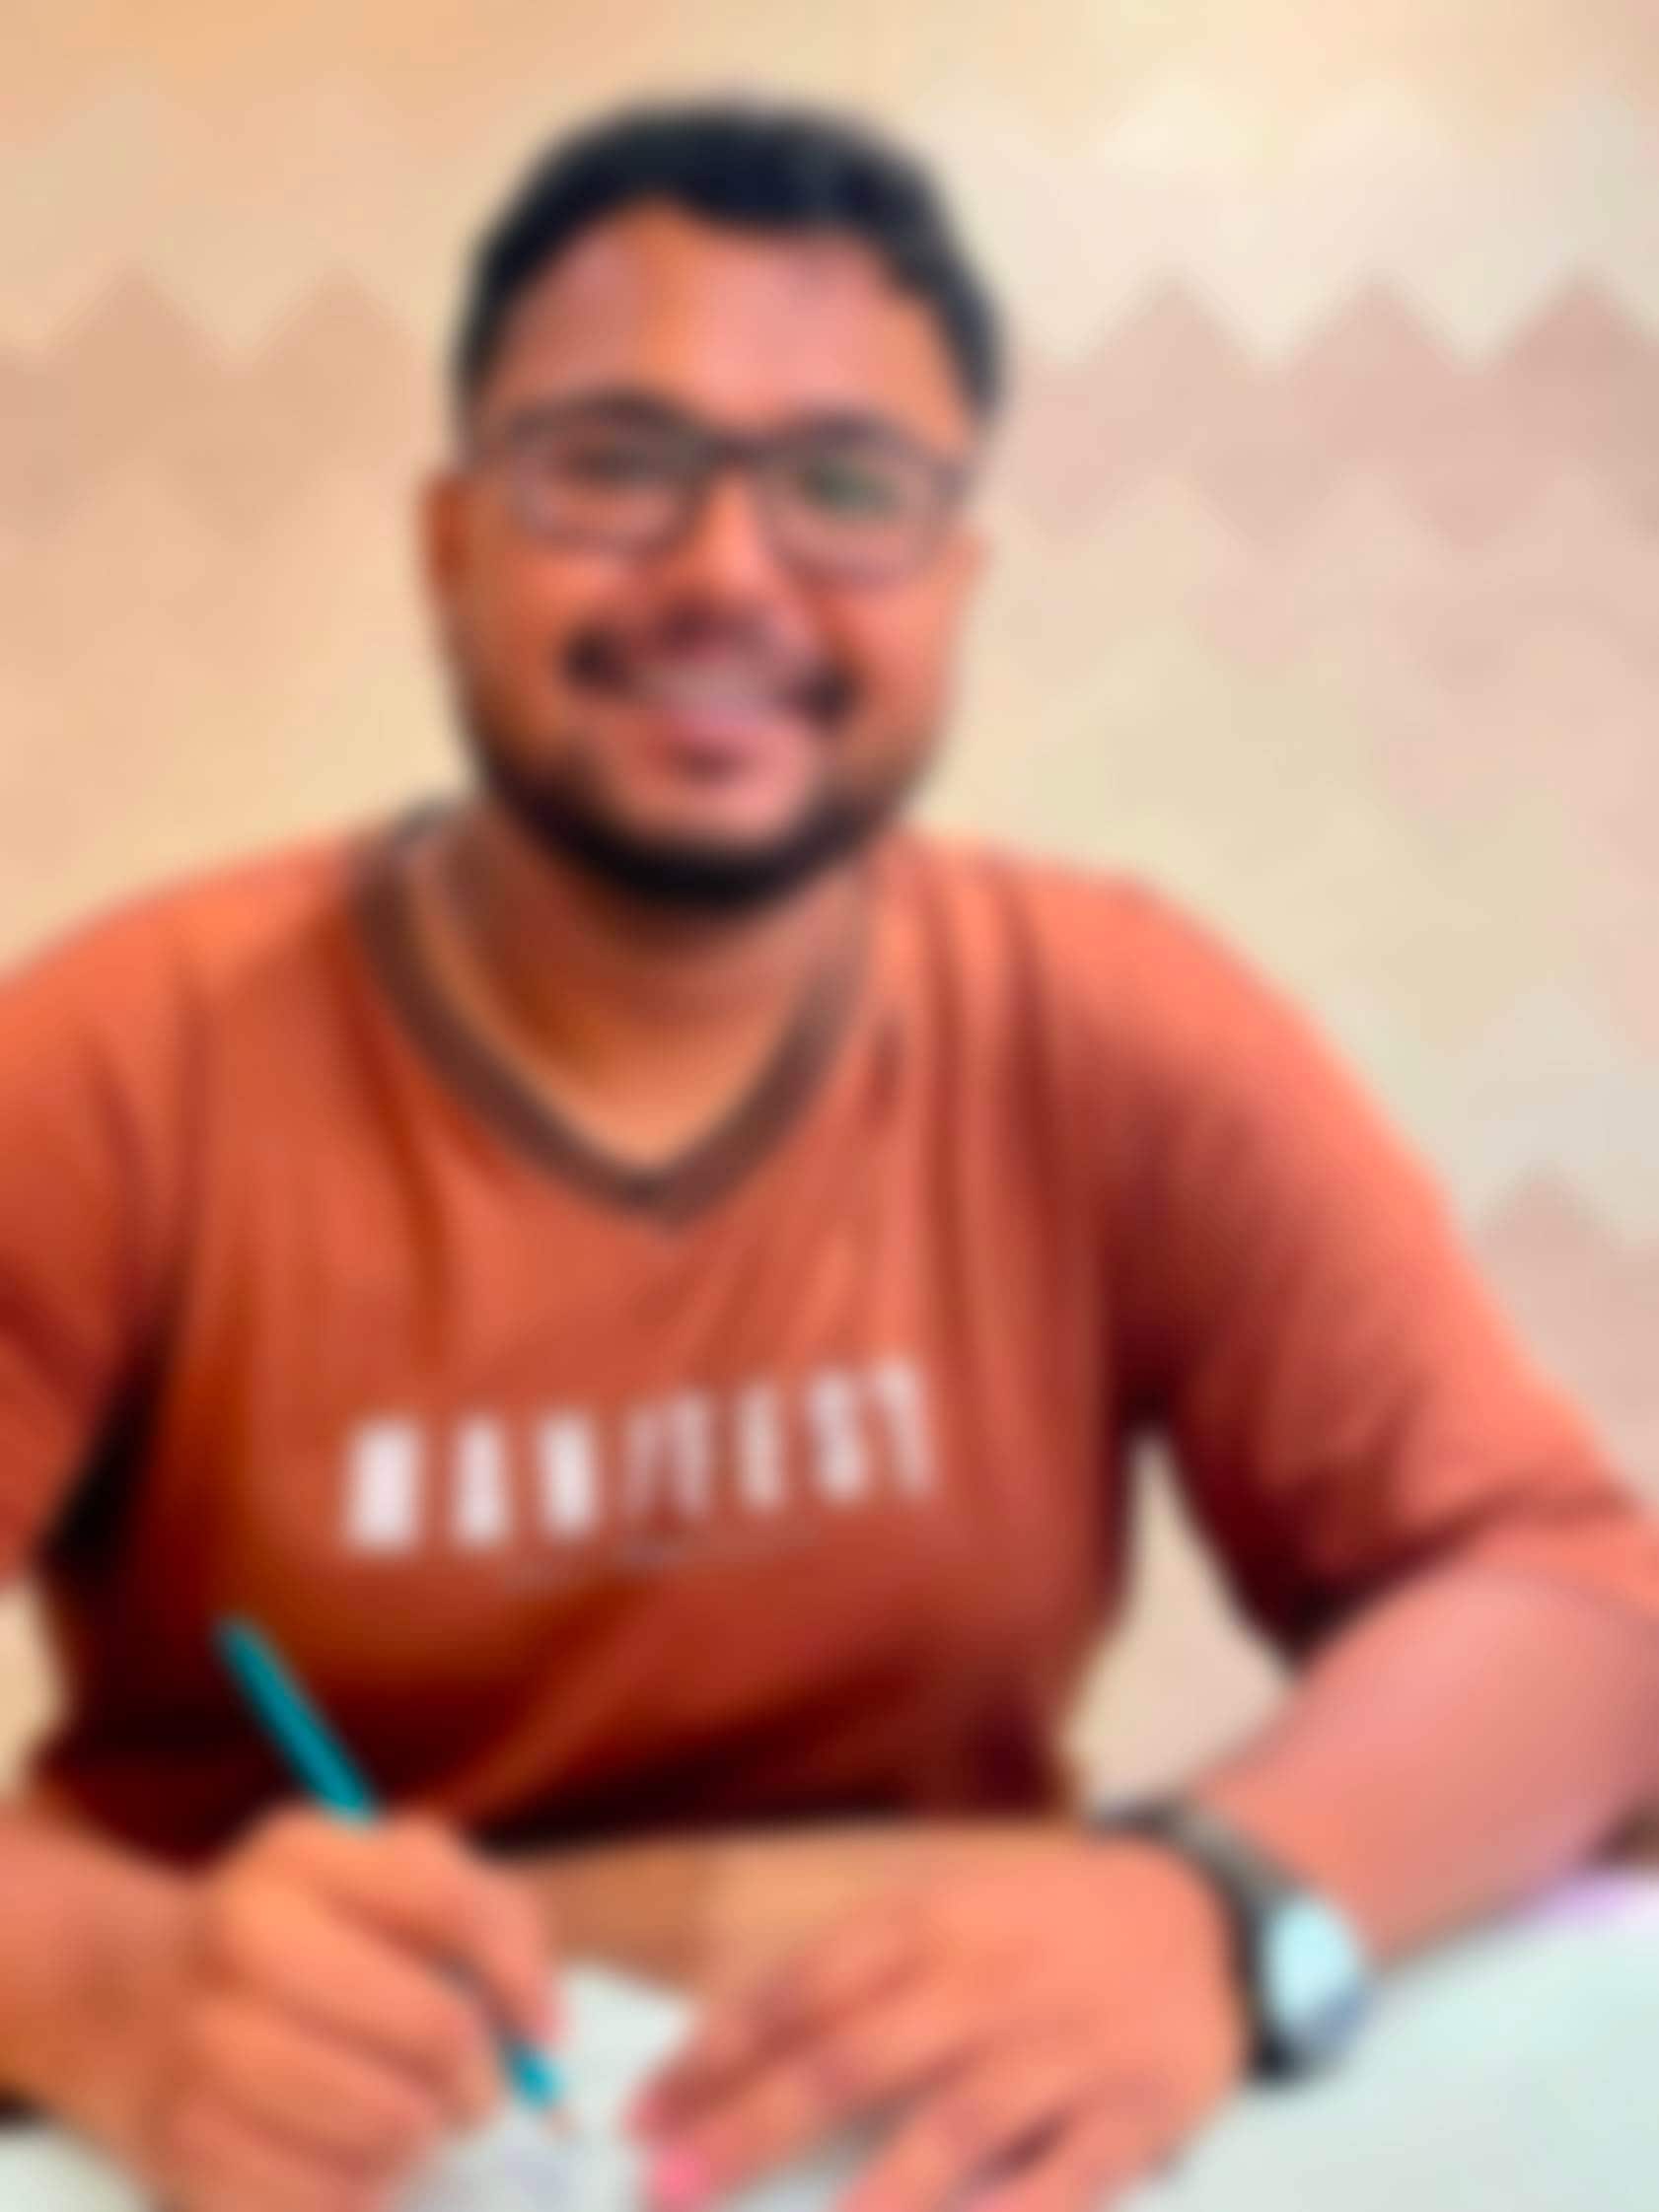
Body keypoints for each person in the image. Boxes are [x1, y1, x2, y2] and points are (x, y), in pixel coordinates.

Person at [0, 93, 1655, 2212]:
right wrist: (112, 1993)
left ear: (951, 588)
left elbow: (1575, 1604)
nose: (723, 570)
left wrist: (1212, 1902)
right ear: (449, 542)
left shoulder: (1114, 1029)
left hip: (924, 2146)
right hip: (280, 2162)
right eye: (611, 463)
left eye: (846, 489)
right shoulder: (118, 1064)